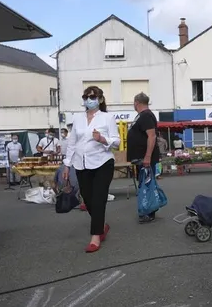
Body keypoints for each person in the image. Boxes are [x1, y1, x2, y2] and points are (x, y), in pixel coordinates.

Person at [63, 86, 120, 253]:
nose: (89, 99)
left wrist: (102, 139)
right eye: (86, 96)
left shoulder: (107, 118)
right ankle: (102, 225)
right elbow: (72, 143)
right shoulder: (77, 118)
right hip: (82, 164)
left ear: (100, 99)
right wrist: (67, 164)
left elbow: (116, 142)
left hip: (103, 162)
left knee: (98, 198)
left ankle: (96, 236)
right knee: (87, 199)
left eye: (93, 96)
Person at [127, 92, 161, 223]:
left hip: (145, 158)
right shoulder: (142, 116)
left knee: (147, 185)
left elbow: (151, 136)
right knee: (145, 184)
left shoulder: (146, 115)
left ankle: (148, 211)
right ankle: (147, 209)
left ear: (137, 102)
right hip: (141, 158)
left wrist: (147, 157)